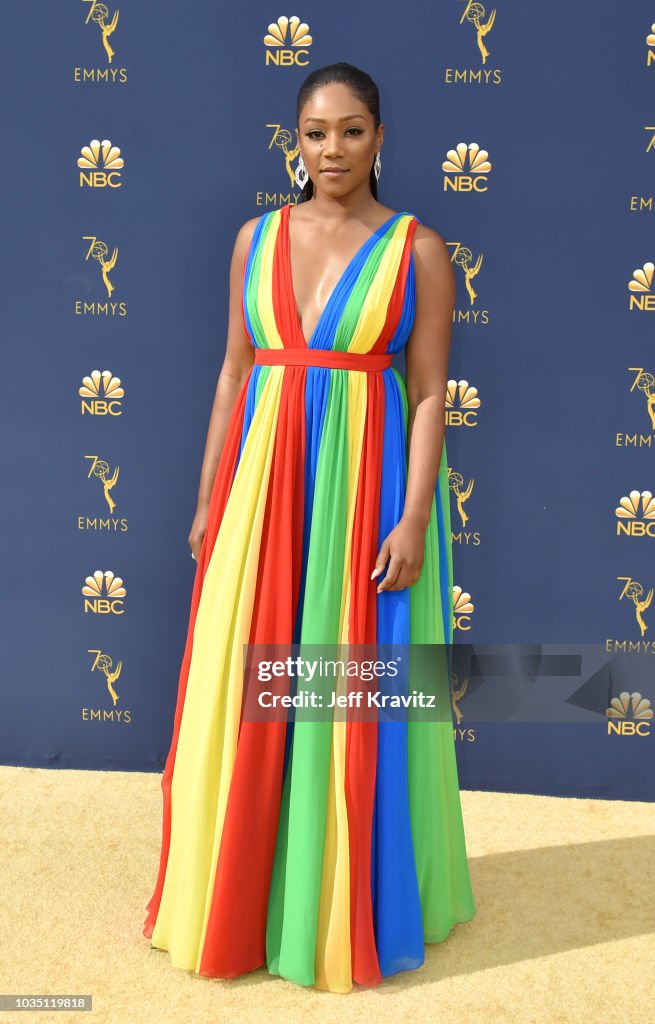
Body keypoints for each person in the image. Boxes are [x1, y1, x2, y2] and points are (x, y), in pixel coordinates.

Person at [143, 60, 476, 994]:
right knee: (246, 681)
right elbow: (230, 377)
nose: (333, 150)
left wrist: (412, 517)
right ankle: (244, 891)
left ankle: (334, 902)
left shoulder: (418, 250)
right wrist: (212, 499)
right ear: (294, 141)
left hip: (362, 490)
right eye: (315, 132)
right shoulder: (253, 239)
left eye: (352, 130)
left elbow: (425, 397)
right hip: (263, 484)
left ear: (381, 137)